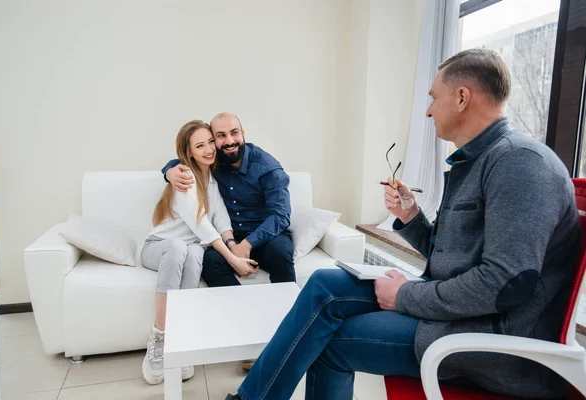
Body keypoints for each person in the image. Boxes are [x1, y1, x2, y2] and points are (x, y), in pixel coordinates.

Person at [224, 49, 581, 400]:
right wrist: (412, 217)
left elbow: (504, 286)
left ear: (461, 98)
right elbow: (449, 257)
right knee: (323, 283)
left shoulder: (520, 164)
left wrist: (406, 296)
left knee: (328, 341)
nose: (427, 110)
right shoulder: (478, 162)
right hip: (461, 313)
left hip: (493, 340)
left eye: (433, 98)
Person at [141, 120, 258, 385]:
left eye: (209, 143)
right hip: (157, 247)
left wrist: (232, 246)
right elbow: (202, 225)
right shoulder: (184, 177)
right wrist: (233, 260)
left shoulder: (212, 181)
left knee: (195, 252)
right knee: (180, 246)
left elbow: (221, 220)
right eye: (199, 145)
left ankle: (181, 343)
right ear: (188, 152)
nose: (208, 149)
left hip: (185, 250)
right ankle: (158, 339)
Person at [162, 113, 295, 287]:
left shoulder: (268, 168)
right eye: (221, 136)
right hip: (230, 236)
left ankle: (289, 309)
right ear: (214, 140)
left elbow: (281, 216)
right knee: (209, 260)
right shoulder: (215, 159)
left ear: (243, 133)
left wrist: (247, 244)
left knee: (280, 251)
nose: (230, 141)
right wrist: (169, 172)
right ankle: (239, 307)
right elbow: (186, 158)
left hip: (266, 236)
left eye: (234, 133)